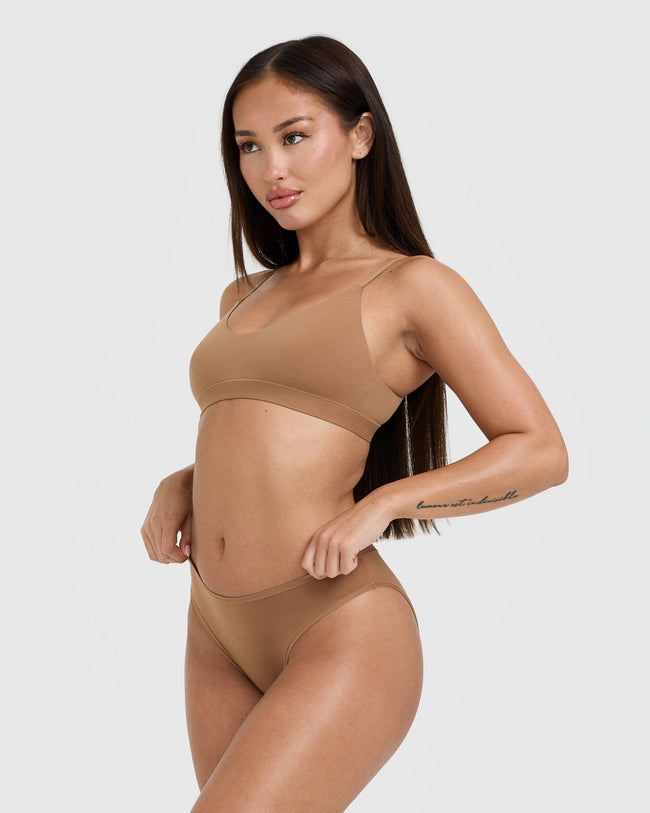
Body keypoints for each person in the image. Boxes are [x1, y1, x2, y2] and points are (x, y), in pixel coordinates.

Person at [140, 35, 568, 812]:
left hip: (338, 624)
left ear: (361, 135)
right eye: (249, 145)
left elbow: (540, 449)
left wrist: (386, 502)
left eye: (295, 136)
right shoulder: (243, 295)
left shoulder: (415, 288)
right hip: (215, 624)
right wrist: (187, 479)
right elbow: (270, 440)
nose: (272, 169)